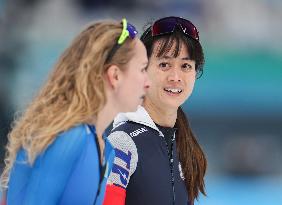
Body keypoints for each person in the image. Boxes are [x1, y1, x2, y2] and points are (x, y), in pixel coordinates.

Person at [0, 18, 150, 205]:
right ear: (115, 75)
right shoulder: (69, 137)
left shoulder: (107, 149)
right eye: (143, 69)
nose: (148, 82)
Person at [103, 16, 207, 205]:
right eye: (164, 65)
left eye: (186, 66)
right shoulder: (123, 143)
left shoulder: (185, 147)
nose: (175, 77)